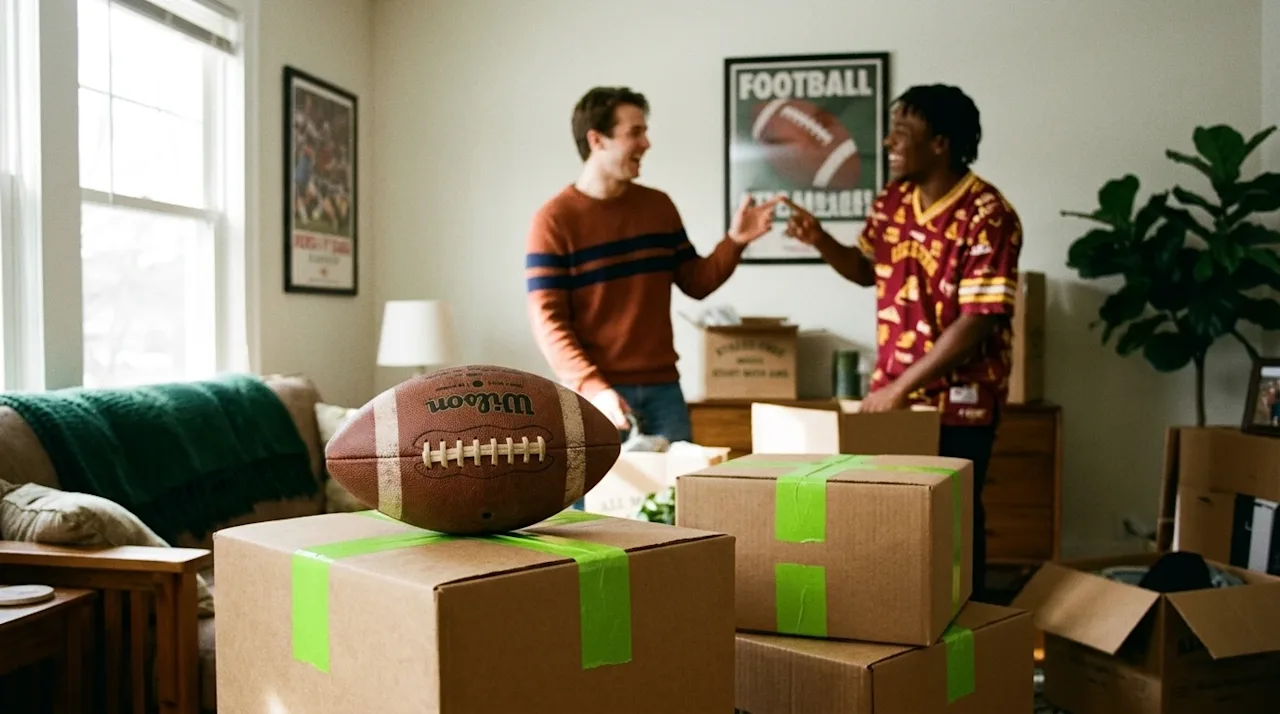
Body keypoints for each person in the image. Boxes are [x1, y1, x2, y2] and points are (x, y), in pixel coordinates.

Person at [780, 84, 1022, 602]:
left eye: (902, 133)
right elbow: (867, 269)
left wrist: (899, 388)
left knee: (955, 518)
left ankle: (968, 625)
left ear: (940, 143)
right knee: (896, 515)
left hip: (960, 402)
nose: (888, 142)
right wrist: (820, 240)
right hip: (894, 396)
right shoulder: (892, 201)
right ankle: (903, 616)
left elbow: (979, 319)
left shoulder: (988, 212)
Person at [525, 86, 780, 452]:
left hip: (665, 393)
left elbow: (696, 281)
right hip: (597, 398)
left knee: (676, 489)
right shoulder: (553, 222)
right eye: (635, 132)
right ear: (597, 140)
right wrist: (595, 388)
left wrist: (736, 241)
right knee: (599, 492)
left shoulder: (659, 208)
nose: (646, 143)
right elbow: (548, 322)